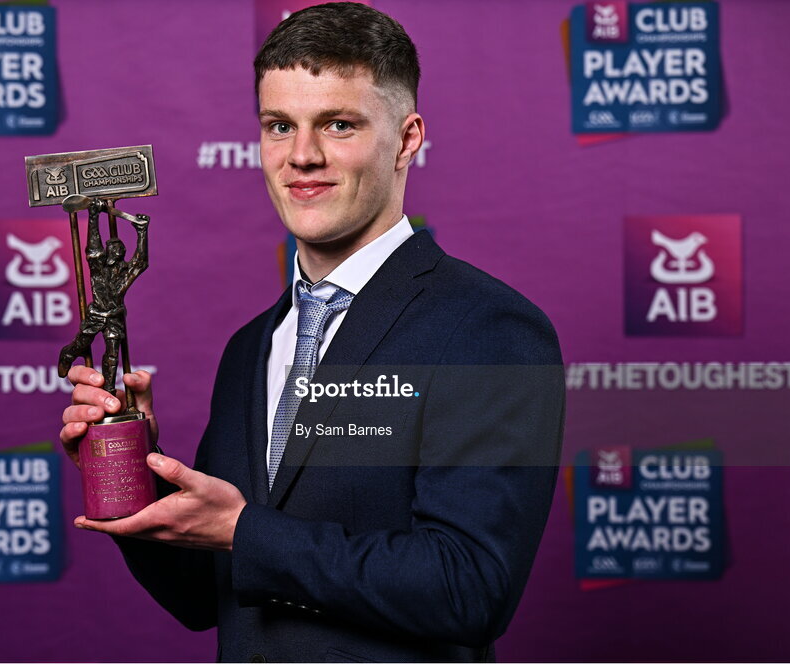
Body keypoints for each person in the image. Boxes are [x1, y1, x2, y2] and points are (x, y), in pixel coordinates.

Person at [60, 3, 564, 661]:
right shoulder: (251, 348)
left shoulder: (486, 327)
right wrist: (134, 470)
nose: (302, 155)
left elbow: (468, 587)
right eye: (279, 125)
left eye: (338, 124)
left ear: (407, 138)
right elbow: (201, 596)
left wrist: (244, 528)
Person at [57, 198, 148, 396]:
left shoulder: (125, 272)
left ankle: (108, 389)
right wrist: (93, 215)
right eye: (112, 248)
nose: (116, 250)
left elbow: (141, 261)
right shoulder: (98, 267)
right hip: (96, 314)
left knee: (113, 354)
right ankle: (69, 353)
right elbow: (93, 247)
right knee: (82, 343)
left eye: (119, 248)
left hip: (115, 316)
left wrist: (142, 232)